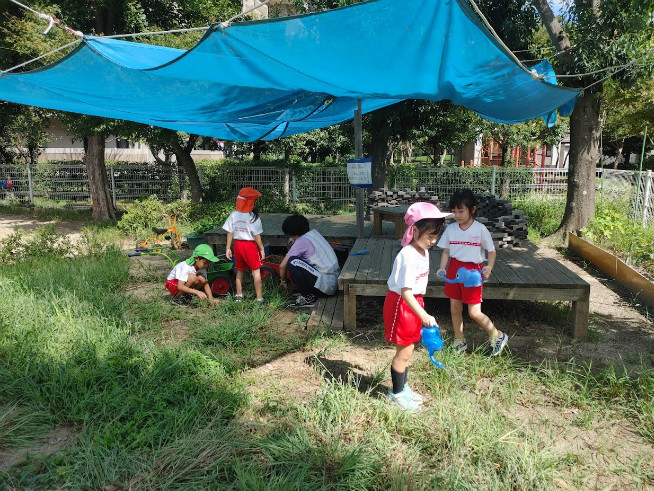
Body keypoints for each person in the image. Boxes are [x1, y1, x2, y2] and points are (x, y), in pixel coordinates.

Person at [384, 202, 451, 412]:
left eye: (436, 236)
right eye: (430, 235)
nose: (433, 240)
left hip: (414, 302)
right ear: (414, 230)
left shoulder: (423, 250)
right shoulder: (408, 256)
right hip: (402, 304)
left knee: (410, 348)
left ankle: (402, 387)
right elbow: (405, 291)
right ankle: (396, 394)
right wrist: (423, 314)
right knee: (404, 351)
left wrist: (421, 310)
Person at [437, 189, 508, 356]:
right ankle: (459, 340)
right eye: (454, 211)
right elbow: (446, 251)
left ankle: (497, 336)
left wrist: (489, 267)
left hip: (472, 273)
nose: (457, 215)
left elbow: (491, 251)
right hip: (454, 271)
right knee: (455, 308)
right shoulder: (451, 229)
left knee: (474, 312)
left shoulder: (480, 230)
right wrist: (442, 268)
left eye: (461, 211)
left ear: (473, 209)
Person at [278, 214, 340, 307]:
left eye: (290, 234)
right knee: (299, 260)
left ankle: (308, 297)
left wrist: (283, 281)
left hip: (326, 288)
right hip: (333, 282)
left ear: (292, 233)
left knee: (293, 261)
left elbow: (282, 266)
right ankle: (308, 292)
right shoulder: (314, 234)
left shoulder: (301, 242)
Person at [223, 187, 266, 303]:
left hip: (237, 245)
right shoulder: (253, 217)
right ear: (252, 202)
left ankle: (239, 295)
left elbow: (229, 232)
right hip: (250, 246)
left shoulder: (234, 215)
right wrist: (261, 249)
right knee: (256, 271)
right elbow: (257, 236)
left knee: (239, 271)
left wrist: (228, 248)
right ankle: (259, 298)